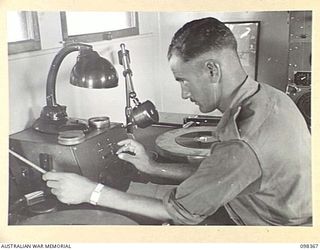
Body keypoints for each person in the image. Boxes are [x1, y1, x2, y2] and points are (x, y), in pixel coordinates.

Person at [43, 17, 312, 225]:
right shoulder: (270, 97)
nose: (184, 93)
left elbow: (180, 212)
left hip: (268, 230)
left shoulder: (242, 140)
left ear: (211, 70)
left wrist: (90, 192)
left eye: (183, 80)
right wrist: (151, 167)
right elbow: (219, 175)